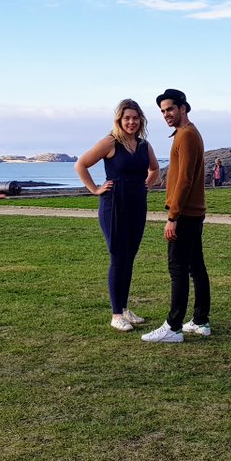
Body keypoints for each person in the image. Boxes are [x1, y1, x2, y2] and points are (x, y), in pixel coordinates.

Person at [75, 98, 161, 332]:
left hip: (137, 204)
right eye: (127, 118)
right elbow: (81, 164)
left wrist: (148, 184)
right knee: (118, 257)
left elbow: (155, 169)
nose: (131, 122)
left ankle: (124, 309)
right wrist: (95, 189)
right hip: (114, 205)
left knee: (130, 257)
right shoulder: (110, 142)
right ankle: (115, 315)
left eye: (135, 118)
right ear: (119, 120)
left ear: (141, 120)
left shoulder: (144, 145)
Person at [141, 88, 210, 343]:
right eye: (162, 111)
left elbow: (185, 179)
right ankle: (200, 321)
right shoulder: (185, 134)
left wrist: (173, 216)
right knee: (195, 267)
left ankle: (173, 326)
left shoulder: (187, 135)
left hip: (185, 214)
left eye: (170, 109)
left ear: (183, 108)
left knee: (178, 268)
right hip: (192, 212)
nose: (166, 114)